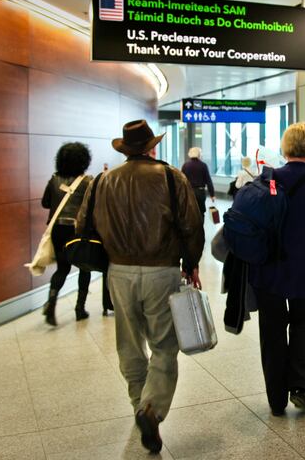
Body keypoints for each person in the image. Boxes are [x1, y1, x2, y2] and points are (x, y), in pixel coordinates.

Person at [77, 119, 204, 454]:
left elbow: (82, 224)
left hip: (118, 272)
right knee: (164, 344)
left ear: (126, 149)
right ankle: (151, 409)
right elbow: (191, 225)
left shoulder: (103, 180)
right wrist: (190, 265)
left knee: (129, 342)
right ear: (153, 147)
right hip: (161, 270)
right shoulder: (170, 176)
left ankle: (140, 406)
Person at [249, 122, 305, 417]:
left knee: (271, 330)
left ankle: (276, 399)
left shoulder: (267, 180)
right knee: (302, 324)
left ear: (286, 147)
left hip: (269, 269)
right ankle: (299, 386)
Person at [40, 142, 103, 325]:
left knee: (62, 268)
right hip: (78, 229)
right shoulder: (87, 181)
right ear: (84, 160)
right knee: (84, 266)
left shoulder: (54, 179)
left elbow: (45, 203)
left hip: (58, 229)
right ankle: (79, 308)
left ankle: (51, 302)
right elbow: (94, 206)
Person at [181, 146, 214, 215]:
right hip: (200, 192)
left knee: (190, 212)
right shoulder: (203, 165)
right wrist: (212, 194)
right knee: (201, 212)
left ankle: (191, 225)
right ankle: (200, 225)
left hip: (189, 192)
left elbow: (181, 180)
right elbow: (208, 181)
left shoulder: (185, 165)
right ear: (199, 154)